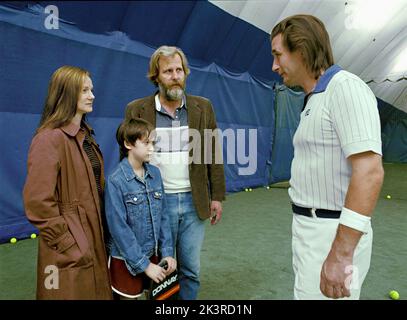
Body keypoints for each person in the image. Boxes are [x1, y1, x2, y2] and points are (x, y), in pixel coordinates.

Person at [270, 15, 384, 300]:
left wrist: (341, 253)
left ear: (302, 49)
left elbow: (369, 171)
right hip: (312, 231)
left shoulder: (345, 87)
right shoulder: (314, 98)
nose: (274, 66)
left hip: (332, 235)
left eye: (278, 55)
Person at [124, 45, 226, 300]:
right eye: (168, 71)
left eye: (179, 70)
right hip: (156, 203)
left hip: (194, 202)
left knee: (190, 269)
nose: (175, 75)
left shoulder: (203, 107)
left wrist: (216, 197)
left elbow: (212, 153)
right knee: (160, 270)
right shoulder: (136, 110)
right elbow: (127, 160)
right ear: (156, 76)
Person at [23, 66, 113, 300]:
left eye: (91, 89)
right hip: (72, 248)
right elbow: (38, 204)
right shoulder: (49, 139)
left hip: (96, 237)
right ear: (66, 93)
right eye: (84, 90)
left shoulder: (85, 135)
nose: (92, 95)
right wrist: (70, 245)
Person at [104, 118, 177, 299]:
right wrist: (144, 264)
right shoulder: (115, 181)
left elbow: (164, 217)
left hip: (155, 257)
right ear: (128, 144)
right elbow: (118, 229)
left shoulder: (156, 174)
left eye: (153, 142)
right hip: (126, 261)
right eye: (146, 143)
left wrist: (167, 253)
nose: (152, 148)